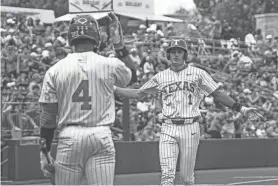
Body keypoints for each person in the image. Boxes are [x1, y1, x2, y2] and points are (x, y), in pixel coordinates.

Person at [113, 39, 263, 185]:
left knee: (186, 178)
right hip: (168, 127)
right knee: (167, 176)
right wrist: (114, 89)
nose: (176, 55)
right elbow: (139, 94)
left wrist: (241, 108)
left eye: (179, 52)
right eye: (173, 52)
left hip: (190, 127)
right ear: (168, 55)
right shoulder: (161, 76)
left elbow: (217, 94)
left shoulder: (198, 73)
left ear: (185, 55)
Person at [38, 13, 136, 185]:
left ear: (70, 38)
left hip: (70, 136)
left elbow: (48, 117)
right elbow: (132, 75)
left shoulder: (55, 70)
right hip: (101, 134)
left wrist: (44, 153)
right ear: (96, 37)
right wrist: (119, 45)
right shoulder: (109, 64)